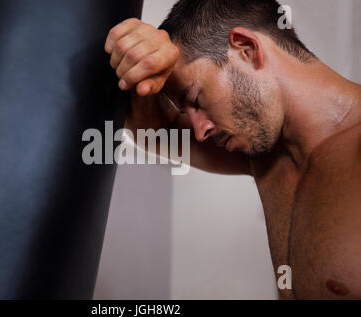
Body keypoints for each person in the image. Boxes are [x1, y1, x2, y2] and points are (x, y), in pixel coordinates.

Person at [104, 0, 361, 299]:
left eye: (197, 100)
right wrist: (141, 58)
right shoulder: (268, 157)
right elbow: (156, 130)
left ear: (247, 48)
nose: (200, 132)